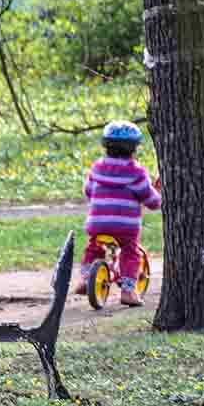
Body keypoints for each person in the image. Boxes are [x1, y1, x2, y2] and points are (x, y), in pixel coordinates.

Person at [76, 121, 161, 306]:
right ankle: (128, 291)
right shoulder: (136, 172)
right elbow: (150, 199)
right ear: (134, 148)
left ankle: (86, 278)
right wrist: (158, 198)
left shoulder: (97, 168)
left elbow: (88, 191)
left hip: (98, 223)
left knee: (94, 247)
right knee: (131, 252)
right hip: (125, 227)